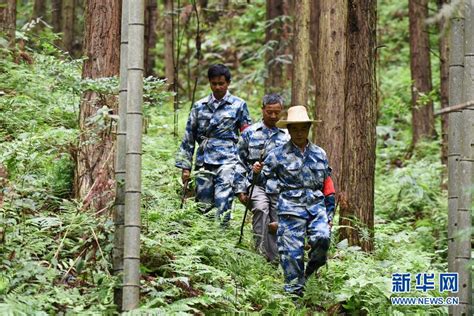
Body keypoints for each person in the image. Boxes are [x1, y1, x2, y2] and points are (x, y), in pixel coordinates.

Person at [253, 105, 336, 297]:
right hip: (290, 209)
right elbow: (262, 180)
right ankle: (294, 296)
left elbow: (327, 185)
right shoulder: (277, 154)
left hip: (316, 208)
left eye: (303, 128)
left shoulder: (319, 154)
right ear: (289, 130)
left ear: (308, 129)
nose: (299, 132)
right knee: (291, 254)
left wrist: (329, 214)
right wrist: (256, 172)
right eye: (295, 128)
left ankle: (308, 274)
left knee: (323, 240)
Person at [175, 64, 251, 224]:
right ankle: (205, 242)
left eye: (221, 83)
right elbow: (189, 137)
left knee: (223, 202)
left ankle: (221, 237)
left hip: (228, 160)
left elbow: (246, 137)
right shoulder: (199, 106)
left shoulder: (238, 105)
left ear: (228, 83)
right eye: (214, 83)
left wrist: (246, 167)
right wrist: (185, 167)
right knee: (203, 204)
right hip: (204, 160)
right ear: (209, 82)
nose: (217, 87)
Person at [235, 93, 289, 263]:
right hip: (256, 183)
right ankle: (260, 255)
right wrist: (240, 189)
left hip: (279, 186)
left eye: (277, 112)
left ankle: (275, 260)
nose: (273, 116)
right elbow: (239, 161)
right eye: (269, 112)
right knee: (260, 209)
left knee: (276, 219)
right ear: (262, 110)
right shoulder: (249, 133)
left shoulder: (286, 135)